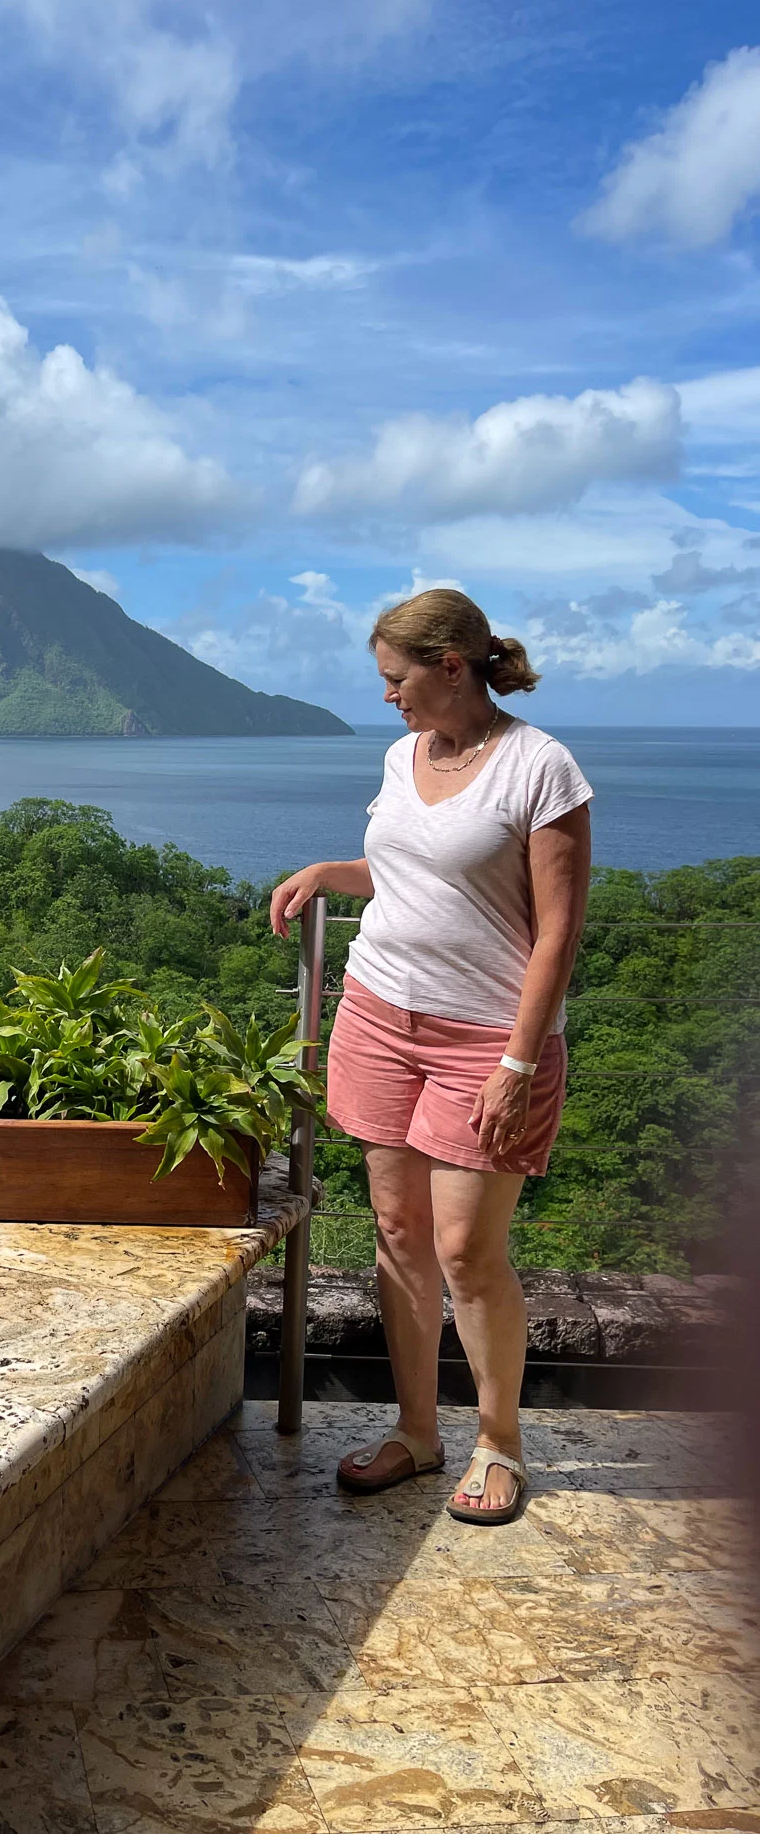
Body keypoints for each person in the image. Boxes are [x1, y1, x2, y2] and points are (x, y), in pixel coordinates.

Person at [269, 590, 592, 1524]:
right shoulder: (401, 755)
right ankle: (418, 1432)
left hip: (486, 1039)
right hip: (376, 1014)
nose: (386, 697)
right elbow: (413, 869)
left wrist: (519, 1065)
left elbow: (559, 931)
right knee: (400, 1232)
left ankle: (500, 1443)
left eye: (394, 677)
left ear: (452, 665)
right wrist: (336, 874)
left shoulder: (539, 769)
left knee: (464, 1245)